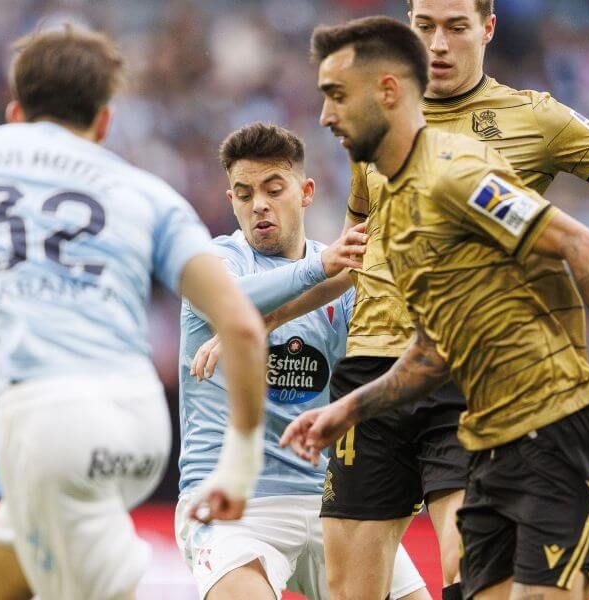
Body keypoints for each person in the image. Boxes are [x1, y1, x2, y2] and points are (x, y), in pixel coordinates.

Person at [192, 2, 589, 598]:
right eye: (424, 27)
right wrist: (265, 321)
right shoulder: (373, 130)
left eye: (456, 28)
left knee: (468, 575)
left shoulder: (532, 120)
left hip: (465, 375)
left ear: (487, 29)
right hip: (371, 376)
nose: (437, 44)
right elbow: (356, 256)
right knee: (350, 590)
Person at [0, 26, 269, 600]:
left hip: (47, 425)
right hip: (140, 426)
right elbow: (242, 326)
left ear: (13, 111)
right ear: (104, 122)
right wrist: (241, 462)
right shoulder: (148, 193)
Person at [175, 122, 429, 600]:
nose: (259, 205)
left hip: (329, 498)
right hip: (232, 503)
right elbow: (234, 300)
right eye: (244, 194)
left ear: (306, 191)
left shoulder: (343, 278)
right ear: (231, 200)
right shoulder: (218, 262)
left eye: (274, 189)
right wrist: (323, 268)